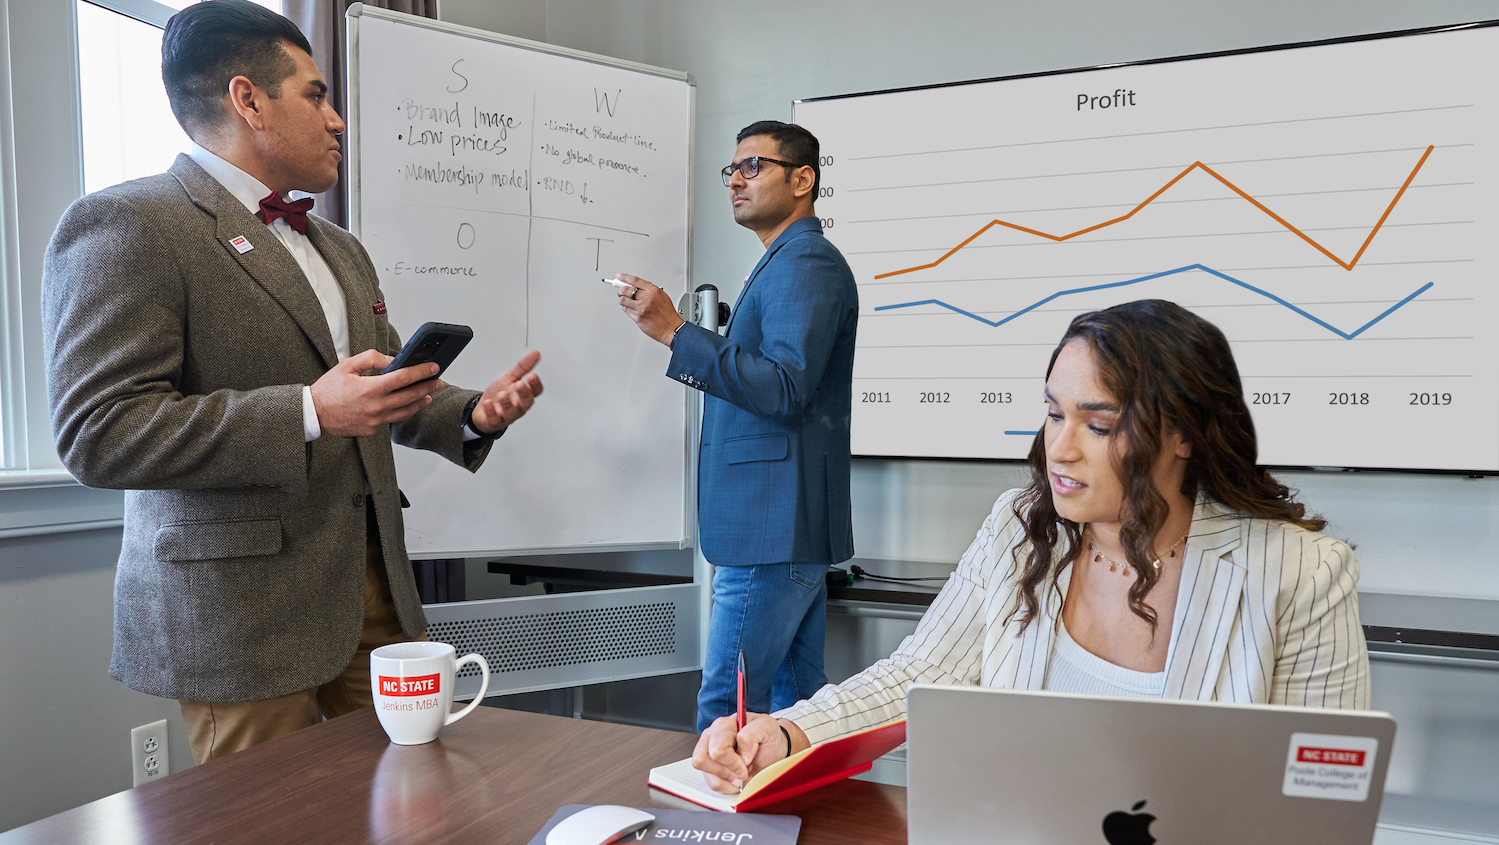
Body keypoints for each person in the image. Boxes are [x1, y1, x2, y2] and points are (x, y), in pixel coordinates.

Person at [41, 0, 543, 763]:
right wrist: (309, 410)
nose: (337, 119)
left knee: (406, 796)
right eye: (316, 95)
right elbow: (99, 432)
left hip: (372, 588)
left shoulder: (340, 247)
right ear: (248, 100)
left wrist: (475, 414)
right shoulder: (128, 224)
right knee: (269, 821)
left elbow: (379, 389)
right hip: (242, 615)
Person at [693, 299, 1370, 792]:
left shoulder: (1300, 571)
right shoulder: (1020, 526)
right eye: (1052, 412)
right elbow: (918, 677)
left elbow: (1322, 795)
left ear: (1183, 434)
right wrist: (783, 733)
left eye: (1097, 424)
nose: (1060, 446)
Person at [615, 120, 859, 732]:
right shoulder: (782, 262)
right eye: (731, 170)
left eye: (753, 167)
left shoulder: (806, 263)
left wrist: (675, 330)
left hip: (770, 530)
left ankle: (713, 830)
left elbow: (783, 387)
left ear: (802, 180)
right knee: (796, 711)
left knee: (724, 713)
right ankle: (801, 824)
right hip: (776, 529)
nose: (735, 180)